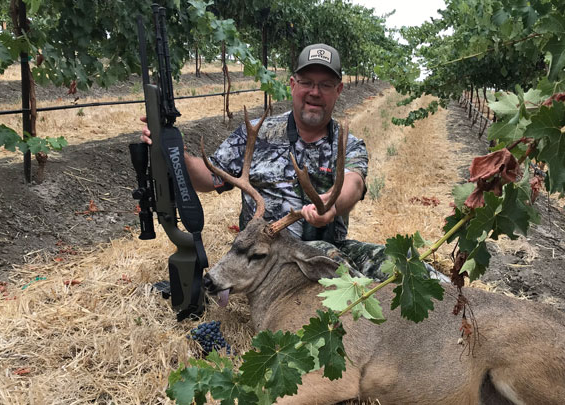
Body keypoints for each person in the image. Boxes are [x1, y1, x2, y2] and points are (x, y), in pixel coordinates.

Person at [141, 44, 385, 280]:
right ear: (292, 84)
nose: (315, 92)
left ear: (339, 90)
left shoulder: (348, 145)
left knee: (394, 261)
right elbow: (208, 178)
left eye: (325, 85)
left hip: (325, 252)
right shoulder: (255, 135)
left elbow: (353, 184)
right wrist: (175, 152)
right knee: (345, 277)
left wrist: (330, 204)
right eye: (307, 82)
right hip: (263, 259)